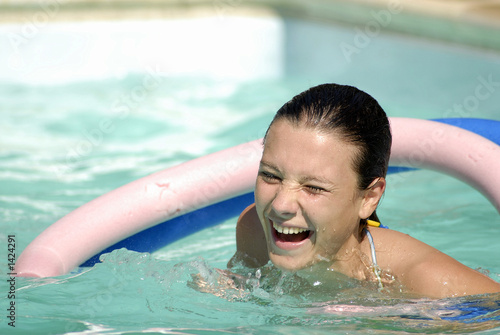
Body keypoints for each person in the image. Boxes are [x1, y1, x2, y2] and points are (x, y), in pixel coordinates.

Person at [228, 83, 500, 298]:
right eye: (270, 175)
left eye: (313, 187)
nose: (280, 205)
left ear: (369, 198)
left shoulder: (429, 284)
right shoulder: (255, 230)